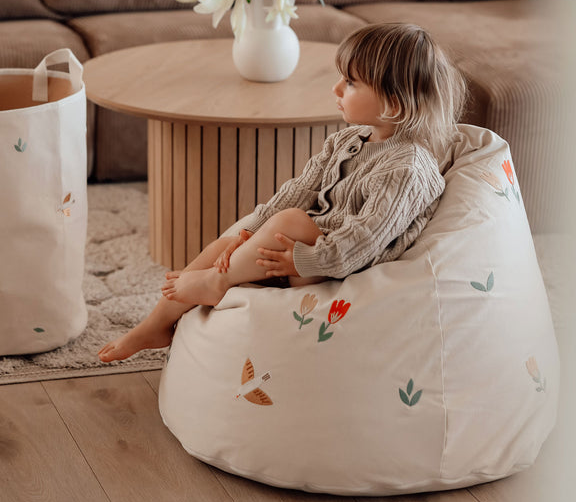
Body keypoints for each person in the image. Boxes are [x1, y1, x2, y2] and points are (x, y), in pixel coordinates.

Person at [98, 23, 466, 363]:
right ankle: (153, 326)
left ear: (395, 104)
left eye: (351, 84)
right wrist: (246, 234)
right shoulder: (348, 140)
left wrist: (301, 260)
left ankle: (217, 284)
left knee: (291, 221)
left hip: (339, 266)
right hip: (307, 252)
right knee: (221, 245)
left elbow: (363, 241)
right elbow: (298, 191)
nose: (336, 90)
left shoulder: (407, 168)